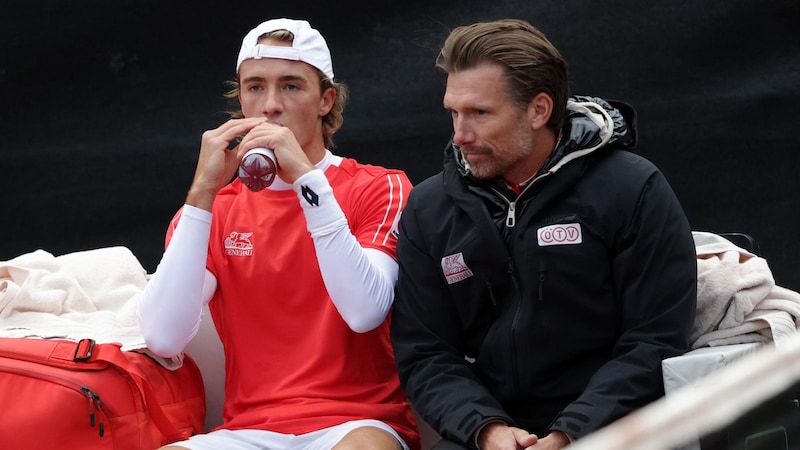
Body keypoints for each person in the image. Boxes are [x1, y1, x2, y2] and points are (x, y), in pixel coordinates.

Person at [389, 18, 697, 450]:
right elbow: (425, 354)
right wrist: (486, 429)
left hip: (614, 425)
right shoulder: (429, 208)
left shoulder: (632, 187)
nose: (460, 134)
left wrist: (570, 433)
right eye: (453, 113)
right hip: (489, 430)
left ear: (539, 110)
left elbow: (655, 341)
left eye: (480, 113)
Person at [137, 18, 419, 450]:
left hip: (358, 423)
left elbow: (364, 312)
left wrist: (307, 181)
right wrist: (202, 192)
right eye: (254, 87)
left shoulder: (379, 186)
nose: (270, 105)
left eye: (290, 86)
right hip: (248, 431)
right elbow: (162, 337)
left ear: (326, 100)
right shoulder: (214, 206)